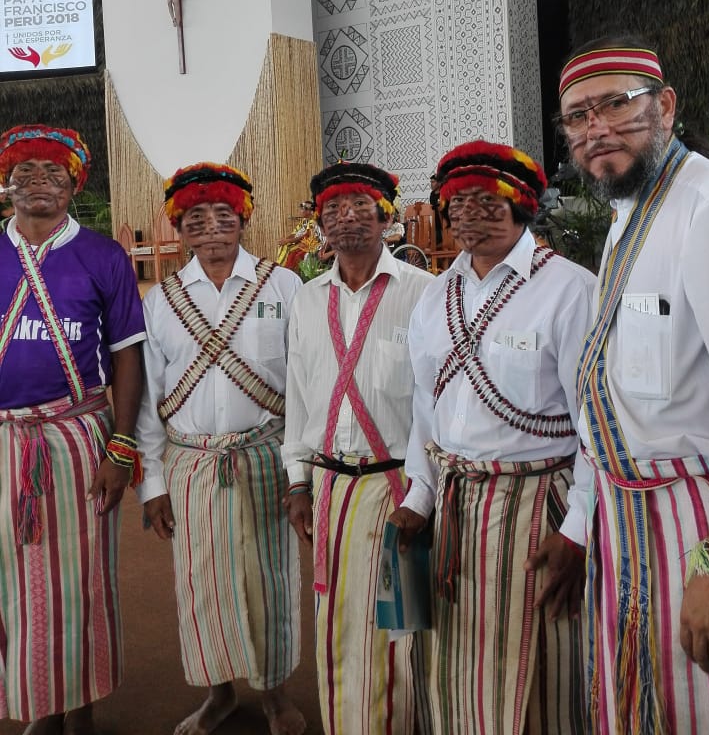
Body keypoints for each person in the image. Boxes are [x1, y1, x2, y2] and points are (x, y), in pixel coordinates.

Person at [535, 36, 709, 733]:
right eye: (578, 116)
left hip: (702, 525)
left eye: (616, 104)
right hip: (631, 522)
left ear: (665, 106)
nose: (596, 128)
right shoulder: (631, 214)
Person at [389, 140, 594, 735]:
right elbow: (425, 407)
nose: (469, 214)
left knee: (542, 668)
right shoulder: (435, 296)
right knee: (457, 667)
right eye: (458, 203)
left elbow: (594, 425)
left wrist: (578, 530)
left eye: (486, 201)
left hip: (539, 509)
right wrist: (419, 496)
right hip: (453, 507)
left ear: (521, 204)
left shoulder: (570, 290)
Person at [135, 162, 305, 735]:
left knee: (269, 578)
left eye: (223, 214)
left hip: (267, 456)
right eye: (196, 217)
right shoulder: (162, 301)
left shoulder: (283, 287)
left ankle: (275, 693)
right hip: (191, 464)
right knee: (202, 583)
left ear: (243, 219)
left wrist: (300, 473)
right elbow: (149, 399)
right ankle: (220, 693)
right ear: (179, 227)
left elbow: (304, 384)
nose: (210, 226)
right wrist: (152, 483)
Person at [0, 124, 145, 735]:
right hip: (5, 441)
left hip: (78, 437)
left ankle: (80, 705)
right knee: (9, 577)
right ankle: (38, 703)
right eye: (25, 172)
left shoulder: (103, 256)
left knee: (80, 577)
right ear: (6, 183)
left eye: (54, 174)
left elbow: (127, 355)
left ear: (74, 186)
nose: (40, 182)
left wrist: (122, 445)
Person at [283, 161, 434, 735]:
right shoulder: (306, 299)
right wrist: (298, 480)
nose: (345, 217)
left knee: (394, 629)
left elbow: (435, 400)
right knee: (336, 624)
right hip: (328, 487)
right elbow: (298, 395)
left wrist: (423, 495)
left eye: (360, 207)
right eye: (333, 209)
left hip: (395, 489)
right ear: (320, 223)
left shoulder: (423, 293)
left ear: (386, 218)